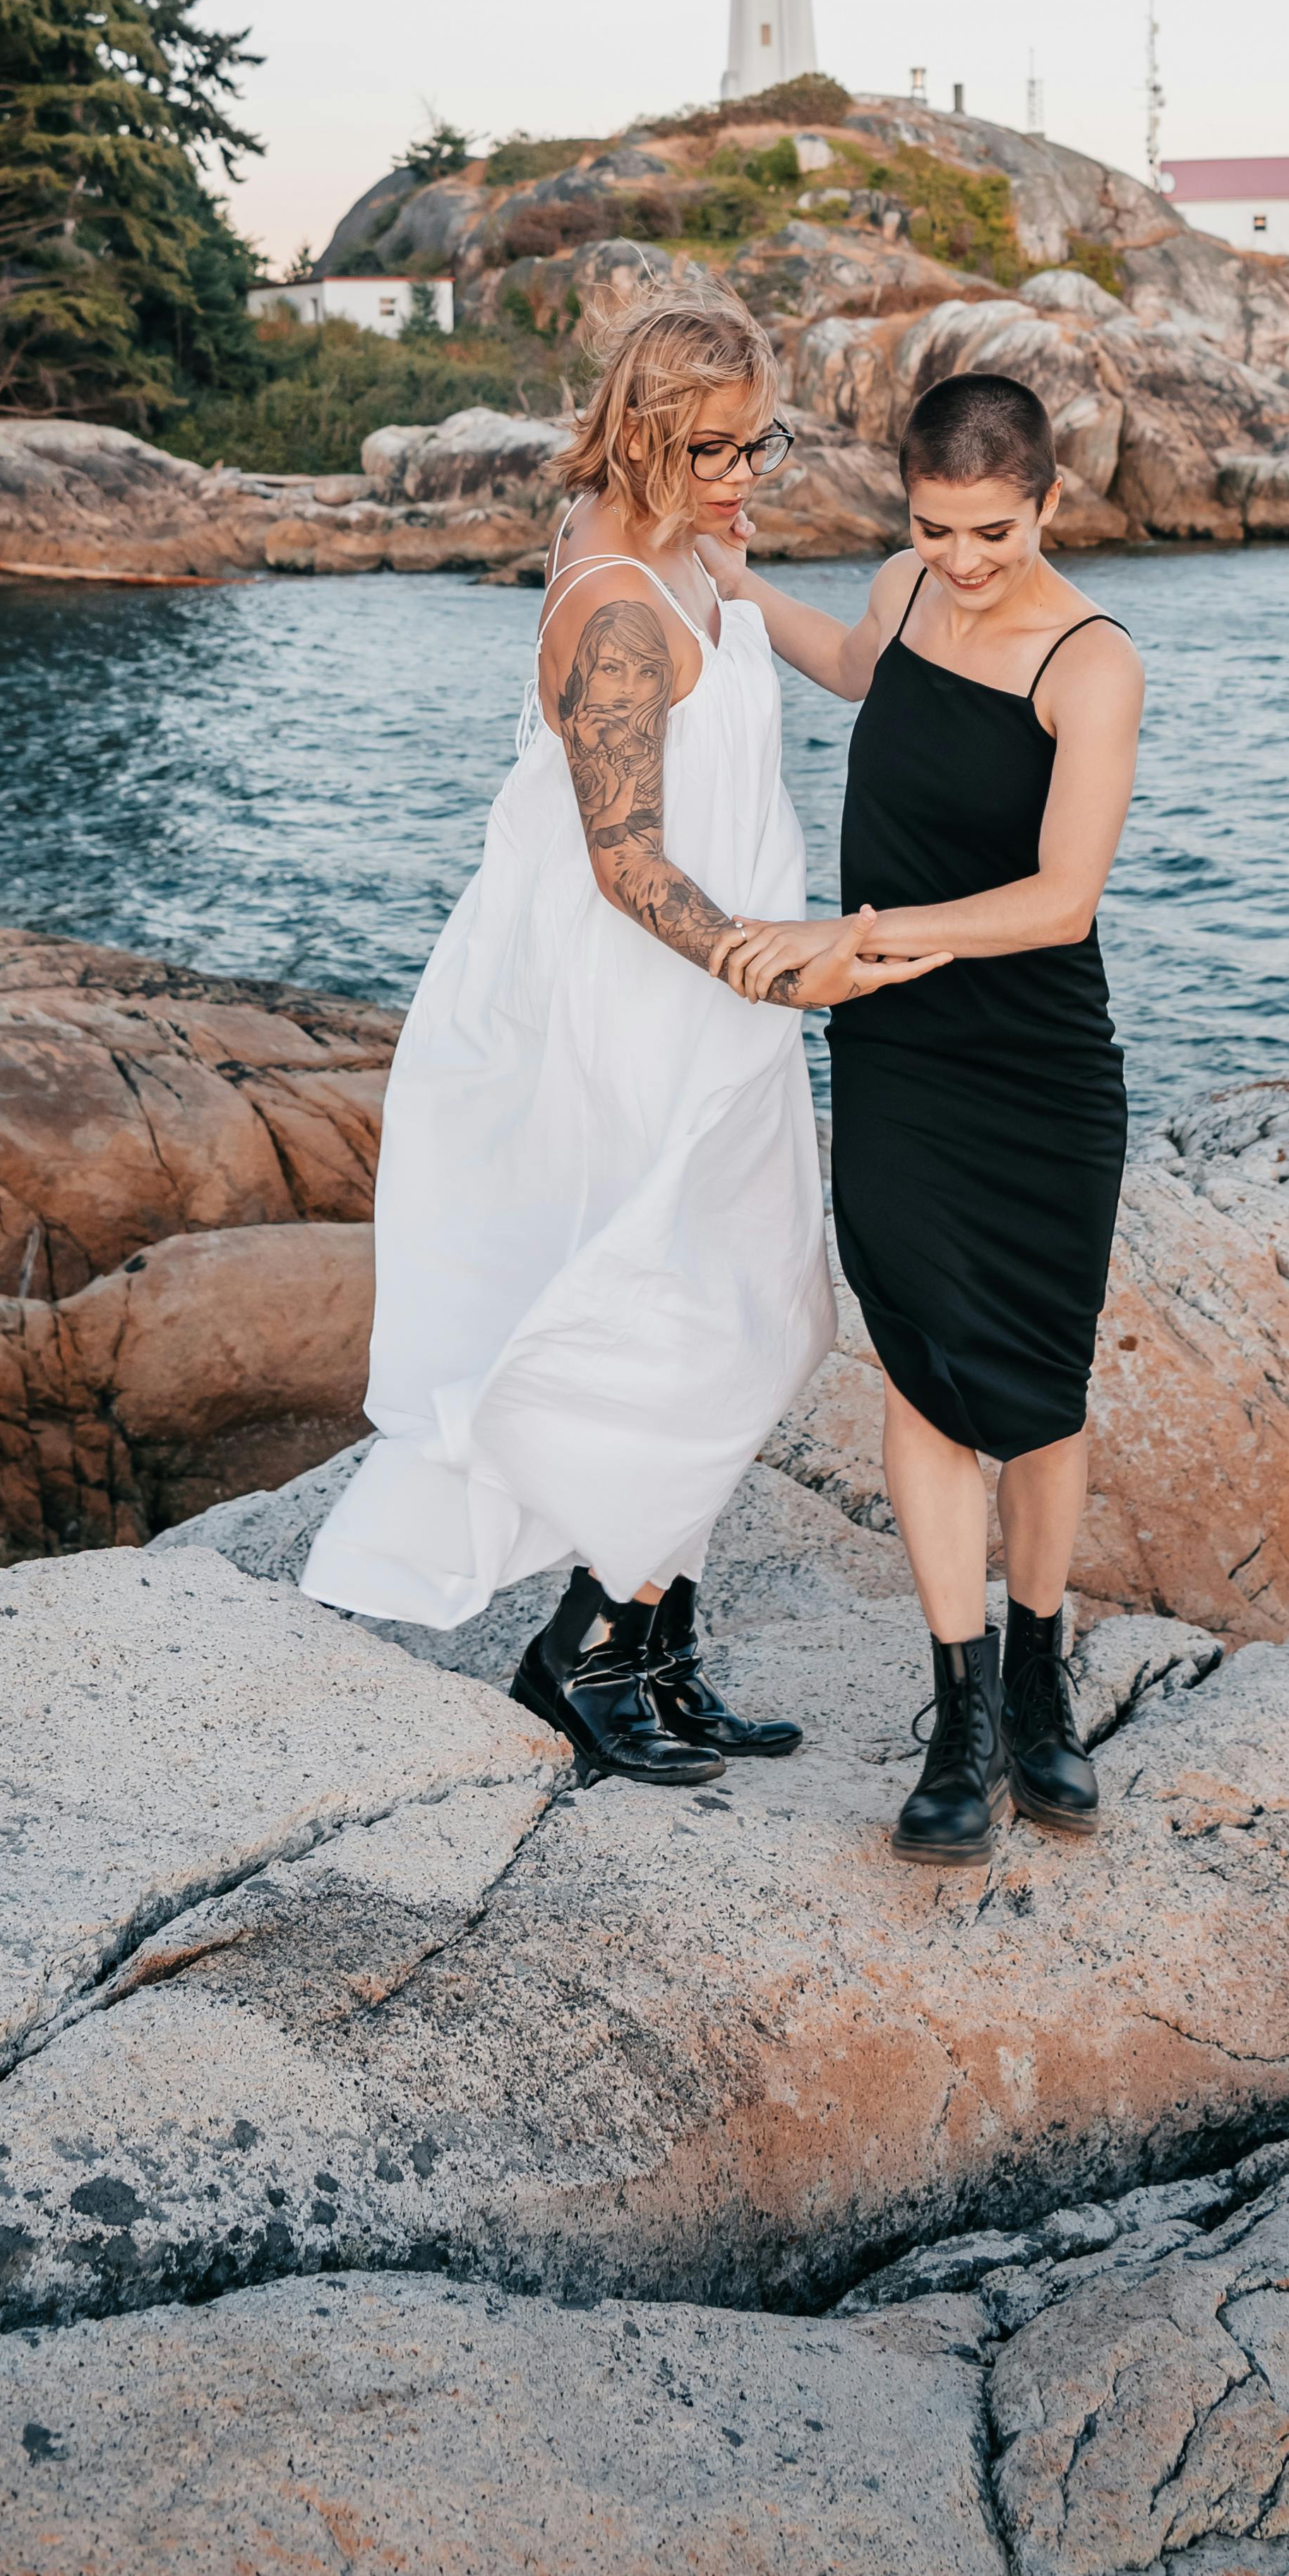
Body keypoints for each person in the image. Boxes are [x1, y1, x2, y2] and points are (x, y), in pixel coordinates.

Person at [300, 296, 940, 1788]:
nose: (745, 472)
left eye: (759, 438)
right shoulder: (610, 606)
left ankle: (658, 1641)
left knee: (755, 1308)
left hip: (718, 994)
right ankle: (585, 1651)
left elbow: (842, 668)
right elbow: (626, 860)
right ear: (647, 433)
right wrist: (783, 968)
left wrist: (956, 562)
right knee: (684, 1314)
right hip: (637, 1001)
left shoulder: (689, 541)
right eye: (714, 445)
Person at [719, 369, 1142, 1863]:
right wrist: (724, 574)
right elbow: (847, 662)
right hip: (898, 1052)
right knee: (920, 1369)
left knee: (1037, 1390)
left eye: (991, 529)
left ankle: (1040, 1682)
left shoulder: (1090, 660)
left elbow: (1061, 897)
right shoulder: (901, 584)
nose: (961, 558)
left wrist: (878, 938)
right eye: (934, 524)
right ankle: (959, 1709)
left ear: (1047, 499)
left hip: (1035, 1065)